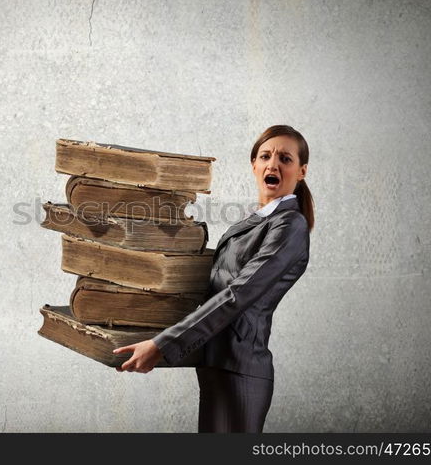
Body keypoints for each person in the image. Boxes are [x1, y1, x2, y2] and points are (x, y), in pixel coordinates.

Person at [113, 125, 314, 433]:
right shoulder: (256, 221)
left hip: (241, 367)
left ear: (301, 171)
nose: (273, 164)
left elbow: (239, 293)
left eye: (285, 159)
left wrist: (163, 344)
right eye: (265, 156)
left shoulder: (290, 225)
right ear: (254, 166)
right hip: (216, 363)